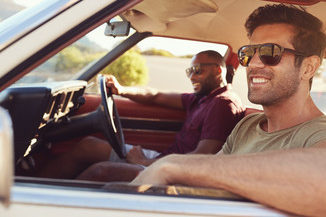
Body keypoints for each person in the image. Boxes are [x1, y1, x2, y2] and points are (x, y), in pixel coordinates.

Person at [130, 4, 326, 217]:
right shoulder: (248, 126)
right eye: (249, 54)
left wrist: (175, 165)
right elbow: (206, 179)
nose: (253, 64)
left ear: (308, 67)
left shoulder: (322, 133)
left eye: (271, 52)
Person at [37, 50, 245, 180]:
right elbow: (155, 95)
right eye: (189, 71)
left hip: (177, 170)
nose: (192, 76)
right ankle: (35, 188)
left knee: (100, 171)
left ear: (218, 71)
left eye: (197, 70)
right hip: (166, 158)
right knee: (88, 145)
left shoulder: (222, 104)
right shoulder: (202, 97)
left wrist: (146, 163)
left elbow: (203, 158)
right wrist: (121, 90)